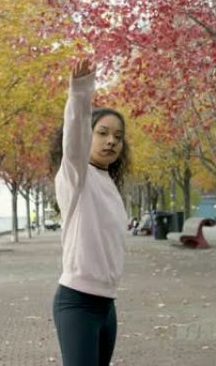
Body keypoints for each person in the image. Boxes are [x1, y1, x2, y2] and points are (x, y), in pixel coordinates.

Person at [49, 57, 131, 366]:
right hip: (77, 303)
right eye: (103, 132)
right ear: (90, 135)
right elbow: (74, 142)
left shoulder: (107, 182)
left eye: (118, 136)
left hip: (107, 305)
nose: (111, 140)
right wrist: (81, 92)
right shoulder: (76, 177)